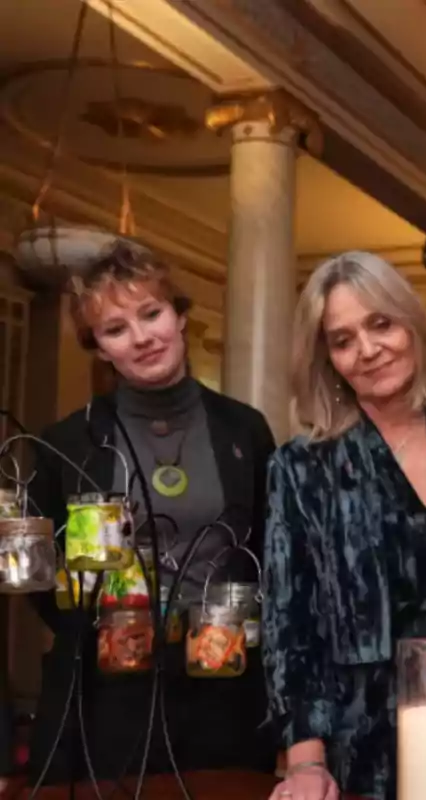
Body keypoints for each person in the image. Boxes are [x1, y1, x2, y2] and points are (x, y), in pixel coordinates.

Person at [25, 242, 278, 784]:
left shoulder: (244, 430)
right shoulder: (65, 442)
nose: (141, 337)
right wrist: (101, 624)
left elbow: (267, 554)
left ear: (180, 316)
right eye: (115, 329)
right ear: (98, 348)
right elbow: (40, 581)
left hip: (224, 687)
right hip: (105, 699)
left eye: (151, 313)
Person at [262, 251, 426, 800]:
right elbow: (290, 626)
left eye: (381, 323)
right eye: (342, 339)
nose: (368, 349)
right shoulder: (303, 466)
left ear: (411, 322)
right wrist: (305, 763)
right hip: (359, 751)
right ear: (327, 358)